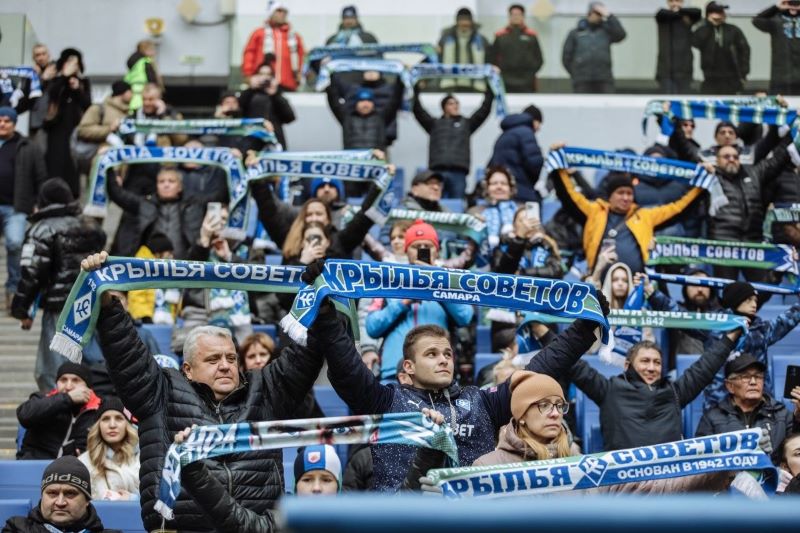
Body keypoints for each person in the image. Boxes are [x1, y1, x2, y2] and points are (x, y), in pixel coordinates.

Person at [307, 255, 608, 491]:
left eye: (448, 354)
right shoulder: (386, 401)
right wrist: (325, 316)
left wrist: (584, 330)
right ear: (408, 367)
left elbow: (538, 372)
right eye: (432, 354)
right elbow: (348, 369)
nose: (443, 360)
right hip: (401, 518)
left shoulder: (482, 402)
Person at [81, 249, 325, 532]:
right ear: (187, 369)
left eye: (231, 358)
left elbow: (305, 354)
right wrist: (108, 304)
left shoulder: (265, 389)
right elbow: (126, 354)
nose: (225, 366)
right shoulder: (160, 391)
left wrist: (321, 300)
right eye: (213, 359)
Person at [465, 370, 739, 494]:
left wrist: (719, 467)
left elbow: (656, 488)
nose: (555, 413)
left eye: (559, 405)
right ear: (521, 416)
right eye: (543, 405)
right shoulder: (487, 467)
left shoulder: (585, 467)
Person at [569, 332, 741, 451]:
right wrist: (548, 328)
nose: (651, 368)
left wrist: (731, 337)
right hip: (624, 483)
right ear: (627, 365)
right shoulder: (609, 390)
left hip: (668, 483)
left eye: (657, 363)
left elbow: (705, 367)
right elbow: (571, 362)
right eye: (645, 361)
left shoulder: (675, 393)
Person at [10, 178, 106, 391]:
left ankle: (59, 407)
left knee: (53, 370)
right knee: (93, 362)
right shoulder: (91, 226)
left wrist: (21, 309)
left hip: (59, 309)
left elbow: (31, 274)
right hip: (91, 303)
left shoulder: (41, 229)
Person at [365, 220, 474, 381]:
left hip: (437, 373)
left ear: (437, 251)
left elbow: (465, 316)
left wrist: (437, 285)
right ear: (406, 250)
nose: (422, 250)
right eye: (416, 246)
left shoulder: (449, 281)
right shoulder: (390, 281)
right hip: (395, 373)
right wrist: (403, 302)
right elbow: (372, 327)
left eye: (428, 246)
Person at [552, 164, 702, 275]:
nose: (625, 198)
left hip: (635, 286)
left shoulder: (644, 215)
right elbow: (569, 196)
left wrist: (701, 186)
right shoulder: (595, 212)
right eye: (620, 193)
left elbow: (678, 208)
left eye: (629, 193)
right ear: (610, 196)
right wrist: (559, 169)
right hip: (599, 285)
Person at [709, 141, 797, 283]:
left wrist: (791, 133)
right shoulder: (708, 178)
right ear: (717, 160)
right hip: (723, 246)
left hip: (753, 244)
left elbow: (778, 159)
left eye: (735, 157)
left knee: (764, 287)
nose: (732, 159)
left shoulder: (754, 173)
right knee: (727, 290)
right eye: (726, 156)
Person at [704, 281, 800, 410]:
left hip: (760, 407)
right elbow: (680, 317)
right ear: (735, 301)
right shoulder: (712, 327)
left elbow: (789, 318)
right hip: (720, 407)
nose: (754, 304)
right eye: (749, 300)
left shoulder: (762, 330)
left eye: (755, 300)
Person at [696, 354, 799, 450]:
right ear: (730, 386)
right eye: (745, 377)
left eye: (758, 377)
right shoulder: (712, 418)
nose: (753, 382)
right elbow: (702, 457)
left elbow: (795, 450)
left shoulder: (781, 414)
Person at [0, 106, 47, 310]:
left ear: (14, 123)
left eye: (7, 121)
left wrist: (38, 203)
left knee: (14, 243)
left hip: (16, 207)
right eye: (0, 120)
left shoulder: (28, 146)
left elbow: (41, 176)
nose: (2, 124)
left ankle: (13, 289)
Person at [107, 166, 206, 259]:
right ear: (156, 185)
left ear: (180, 186)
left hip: (185, 264)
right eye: (161, 181)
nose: (166, 185)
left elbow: (215, 196)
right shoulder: (145, 204)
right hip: (148, 264)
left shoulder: (194, 205)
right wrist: (109, 167)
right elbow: (118, 194)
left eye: (171, 181)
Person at [412, 86, 493, 199]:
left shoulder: (466, 124)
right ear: (444, 107)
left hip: (458, 173)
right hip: (437, 172)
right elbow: (418, 110)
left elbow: (484, 110)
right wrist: (415, 88)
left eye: (457, 103)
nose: (455, 106)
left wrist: (490, 89)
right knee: (435, 203)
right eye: (451, 103)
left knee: (458, 204)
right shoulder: (434, 124)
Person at [1, 456, 120, 533]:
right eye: (52, 493)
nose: (60, 502)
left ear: (87, 500)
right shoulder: (16, 529)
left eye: (70, 494)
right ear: (42, 497)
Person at [16, 362, 101, 459]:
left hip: (73, 466)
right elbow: (24, 415)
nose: (68, 386)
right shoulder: (43, 399)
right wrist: (68, 398)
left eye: (76, 380)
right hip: (36, 464)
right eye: (63, 380)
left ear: (88, 387)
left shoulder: (99, 409)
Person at [637, 269, 721, 356]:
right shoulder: (675, 312)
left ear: (711, 289)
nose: (700, 289)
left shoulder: (721, 315)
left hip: (713, 364)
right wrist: (650, 290)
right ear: (685, 288)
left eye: (704, 285)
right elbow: (670, 307)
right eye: (694, 285)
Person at [43, 48, 91, 198]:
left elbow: (88, 105)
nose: (73, 66)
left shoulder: (83, 82)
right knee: (56, 162)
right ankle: (52, 194)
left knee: (73, 164)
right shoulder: (56, 80)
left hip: (75, 128)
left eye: (76, 63)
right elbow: (52, 95)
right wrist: (64, 77)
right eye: (70, 62)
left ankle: (73, 195)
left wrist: (77, 89)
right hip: (56, 128)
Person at [77, 397, 140, 501]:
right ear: (98, 426)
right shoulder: (83, 462)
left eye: (119, 418)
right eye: (105, 419)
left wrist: (132, 499)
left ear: (128, 425)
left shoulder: (144, 457)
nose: (112, 425)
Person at [562, 2, 626, 93]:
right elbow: (566, 56)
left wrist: (609, 15)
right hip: (582, 80)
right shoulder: (575, 33)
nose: (596, 16)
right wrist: (576, 73)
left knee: (607, 101)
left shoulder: (607, 31)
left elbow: (621, 35)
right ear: (589, 13)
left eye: (600, 14)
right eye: (595, 13)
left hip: (604, 79)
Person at [241, 2, 304, 92]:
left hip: (288, 84)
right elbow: (249, 54)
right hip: (262, 83)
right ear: (271, 13)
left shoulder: (294, 37)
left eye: (284, 12)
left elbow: (301, 57)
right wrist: (248, 75)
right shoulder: (259, 33)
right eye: (279, 11)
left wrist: (300, 74)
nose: (282, 14)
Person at [487, 106, 544, 202]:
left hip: (503, 190)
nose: (539, 128)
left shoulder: (504, 135)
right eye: (539, 123)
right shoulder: (526, 132)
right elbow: (534, 163)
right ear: (534, 121)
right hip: (521, 190)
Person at [692, 2, 750, 94]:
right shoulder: (703, 30)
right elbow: (695, 43)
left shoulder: (733, 30)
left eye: (721, 12)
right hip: (709, 77)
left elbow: (745, 50)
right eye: (717, 12)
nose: (720, 15)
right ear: (709, 14)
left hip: (732, 77)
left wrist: (744, 73)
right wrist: (709, 24)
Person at [239, 62, 296, 149]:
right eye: (261, 74)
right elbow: (239, 110)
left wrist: (275, 95)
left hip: (274, 140)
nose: (265, 77)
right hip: (252, 140)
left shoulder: (276, 94)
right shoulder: (250, 93)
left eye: (268, 74)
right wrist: (251, 89)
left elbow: (290, 117)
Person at [490, 4, 544, 93]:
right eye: (513, 14)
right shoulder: (500, 36)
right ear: (509, 16)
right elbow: (492, 58)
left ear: (523, 16)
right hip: (505, 80)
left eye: (518, 14)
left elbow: (539, 59)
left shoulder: (531, 36)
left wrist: (530, 73)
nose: (516, 17)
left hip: (527, 82)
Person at [437, 8, 491, 92]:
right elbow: (436, 58)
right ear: (457, 21)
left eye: (467, 20)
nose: (464, 23)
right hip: (449, 84)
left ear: (471, 21)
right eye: (462, 20)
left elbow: (489, 60)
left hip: (476, 86)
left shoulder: (482, 40)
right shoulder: (445, 39)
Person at [127, 232, 176, 324]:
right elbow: (137, 296)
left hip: (166, 323)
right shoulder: (141, 267)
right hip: (145, 323)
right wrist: (145, 317)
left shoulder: (165, 270)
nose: (172, 257)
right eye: (169, 253)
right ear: (158, 253)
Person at [753, 1, 800, 95]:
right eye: (791, 3)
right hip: (781, 77)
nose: (794, 6)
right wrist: (776, 7)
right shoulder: (776, 20)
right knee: (780, 102)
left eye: (797, 3)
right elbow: (757, 20)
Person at [655, 0, 702, 94]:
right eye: (671, 1)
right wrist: (680, 13)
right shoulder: (663, 16)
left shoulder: (688, 16)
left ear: (682, 2)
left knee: (684, 98)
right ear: (668, 3)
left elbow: (697, 12)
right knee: (668, 98)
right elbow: (661, 13)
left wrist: (680, 11)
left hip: (685, 68)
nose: (675, 4)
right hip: (666, 69)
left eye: (678, 1)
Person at [75, 80, 132, 152]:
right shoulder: (99, 109)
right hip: (101, 153)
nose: (132, 95)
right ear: (124, 93)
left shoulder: (128, 113)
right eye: (130, 91)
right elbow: (82, 130)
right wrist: (109, 128)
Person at [124, 39, 163, 112]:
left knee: (133, 109)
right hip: (144, 89)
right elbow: (151, 79)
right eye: (152, 49)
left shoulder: (135, 63)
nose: (154, 52)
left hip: (133, 89)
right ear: (145, 50)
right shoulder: (146, 62)